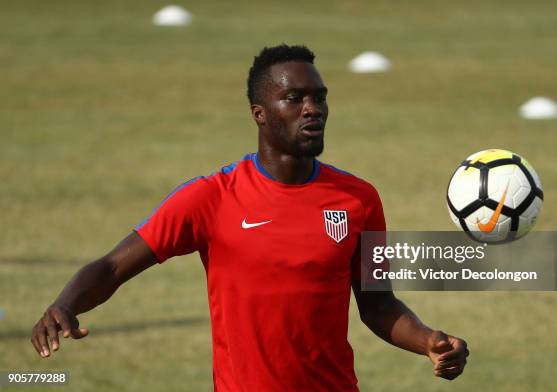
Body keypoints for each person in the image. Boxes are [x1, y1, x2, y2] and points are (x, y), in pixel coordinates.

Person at [31, 44, 468, 390]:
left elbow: (377, 303)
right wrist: (65, 303)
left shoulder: (358, 199)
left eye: (319, 97)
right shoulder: (211, 198)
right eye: (294, 99)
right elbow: (111, 266)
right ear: (260, 114)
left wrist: (428, 340)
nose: (312, 108)